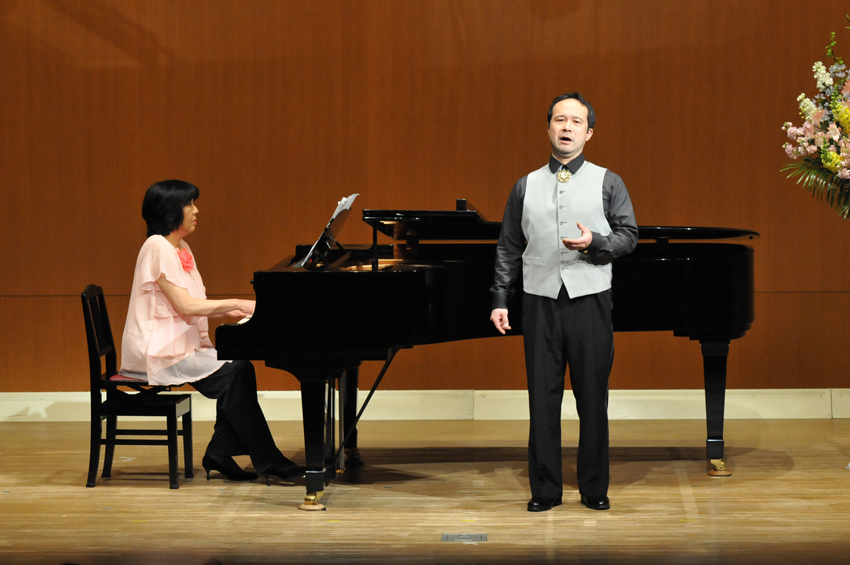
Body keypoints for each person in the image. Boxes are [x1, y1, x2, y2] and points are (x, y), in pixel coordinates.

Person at [490, 93, 637, 512]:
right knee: (542, 398)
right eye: (559, 120)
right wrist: (500, 298)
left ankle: (594, 487)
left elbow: (629, 236)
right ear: (549, 128)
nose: (567, 127)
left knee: (592, 397)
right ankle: (545, 490)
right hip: (539, 302)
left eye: (576, 121)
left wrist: (597, 242)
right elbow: (508, 248)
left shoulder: (609, 182)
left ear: (589, 133)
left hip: (590, 301)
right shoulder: (525, 185)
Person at [120, 179, 304, 483]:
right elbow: (185, 305)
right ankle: (268, 460)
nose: (196, 211)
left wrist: (229, 312)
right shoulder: (157, 247)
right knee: (235, 372)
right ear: (170, 210)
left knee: (240, 368)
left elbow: (189, 303)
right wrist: (237, 303)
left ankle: (220, 452)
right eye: (189, 204)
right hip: (158, 351)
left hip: (177, 345)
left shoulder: (180, 247)